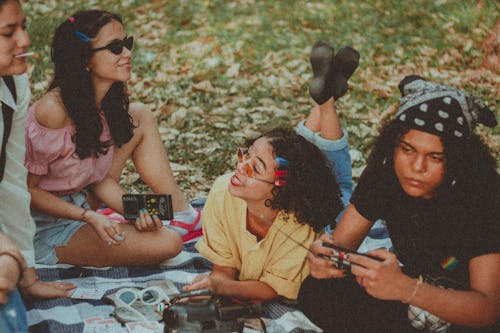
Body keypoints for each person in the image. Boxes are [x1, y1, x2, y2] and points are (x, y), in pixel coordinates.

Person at [298, 75, 499, 332]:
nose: (417, 167)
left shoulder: (484, 195)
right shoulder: (385, 176)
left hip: (467, 311)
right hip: (411, 298)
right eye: (407, 150)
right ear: (392, 147)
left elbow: (488, 309)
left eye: (435, 157)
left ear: (458, 160)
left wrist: (406, 289)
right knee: (318, 291)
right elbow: (341, 246)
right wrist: (324, 259)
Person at [183, 41, 363, 301]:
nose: (239, 167)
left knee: (341, 177)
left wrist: (223, 287)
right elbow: (224, 268)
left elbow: (272, 288)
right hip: (298, 179)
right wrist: (213, 284)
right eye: (246, 154)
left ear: (279, 189)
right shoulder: (223, 191)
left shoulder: (301, 224)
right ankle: (327, 94)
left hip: (335, 203)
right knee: (297, 152)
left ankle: (327, 100)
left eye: (254, 167)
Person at [24, 9, 201, 267]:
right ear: (85, 59)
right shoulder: (53, 110)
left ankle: (182, 212)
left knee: (139, 114)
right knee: (169, 244)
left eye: (126, 44)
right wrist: (88, 216)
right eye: (115, 48)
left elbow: (96, 179)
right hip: (42, 226)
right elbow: (28, 191)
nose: (127, 53)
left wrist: (134, 213)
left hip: (81, 199)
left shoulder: (105, 99)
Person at [0, 0, 75, 303]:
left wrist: (27, 272)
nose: (25, 41)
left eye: (24, 27)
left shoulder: (15, 84)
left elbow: (12, 181)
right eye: (8, 33)